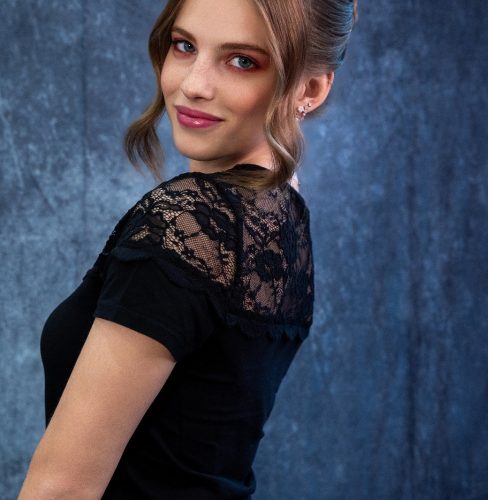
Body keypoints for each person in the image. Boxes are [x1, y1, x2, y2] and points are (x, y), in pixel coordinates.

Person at [19, 0, 357, 498]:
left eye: (242, 60)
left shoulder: (191, 220)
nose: (194, 84)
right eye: (184, 46)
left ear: (310, 89)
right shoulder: (281, 213)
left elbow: (62, 489)